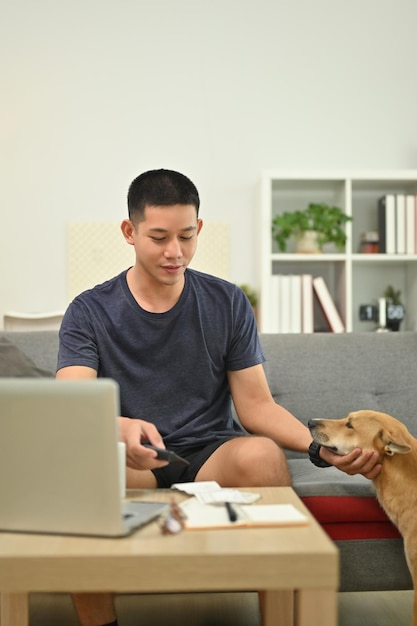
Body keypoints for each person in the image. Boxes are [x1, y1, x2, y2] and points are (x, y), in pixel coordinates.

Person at [56, 168, 381, 626]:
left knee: (263, 456)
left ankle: (280, 619)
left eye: (186, 236)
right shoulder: (89, 310)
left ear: (199, 229)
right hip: (135, 456)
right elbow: (73, 404)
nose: (175, 252)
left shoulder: (226, 301)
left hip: (211, 450)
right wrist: (120, 427)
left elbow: (256, 406)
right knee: (83, 476)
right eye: (159, 237)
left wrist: (317, 449)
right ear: (129, 232)